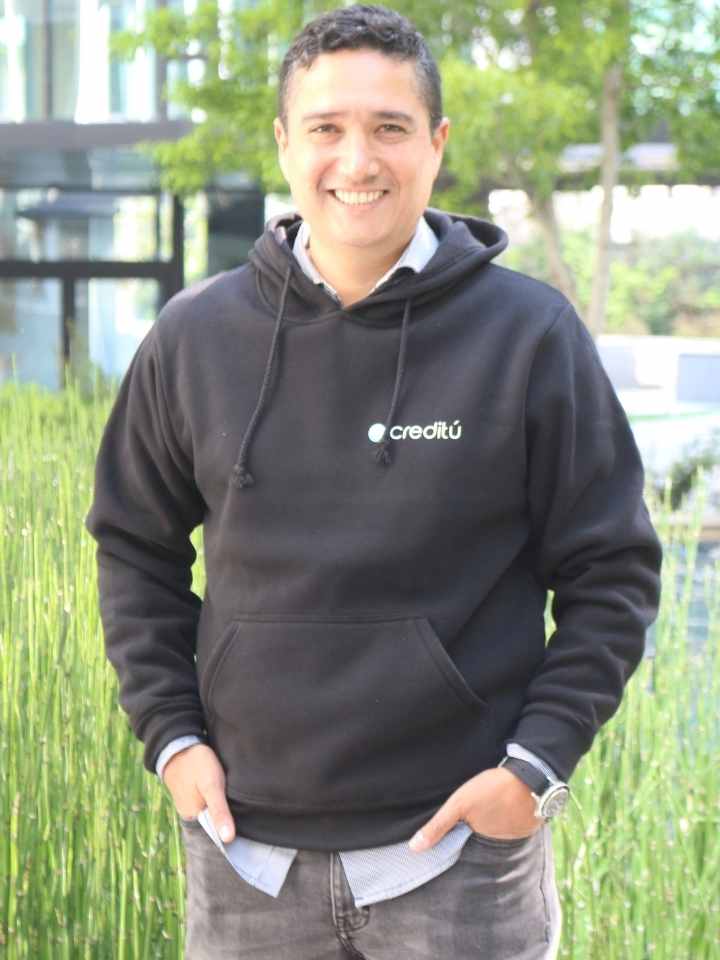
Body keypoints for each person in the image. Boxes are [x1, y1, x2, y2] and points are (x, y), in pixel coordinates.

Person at [84, 4, 663, 958]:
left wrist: (535, 767)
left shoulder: (528, 335)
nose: (357, 161)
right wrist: (172, 739)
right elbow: (133, 549)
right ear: (284, 142)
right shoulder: (194, 337)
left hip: (460, 857)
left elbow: (613, 572)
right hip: (243, 857)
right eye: (327, 127)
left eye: (390, 127)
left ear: (436, 144)